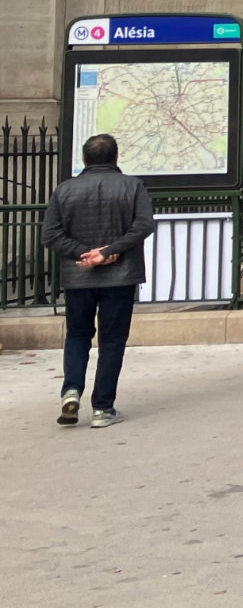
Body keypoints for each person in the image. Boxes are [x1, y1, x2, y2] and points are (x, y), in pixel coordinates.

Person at [42, 133, 155, 428]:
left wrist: (85, 254)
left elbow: (50, 235)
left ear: (84, 159)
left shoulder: (64, 190)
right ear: (116, 158)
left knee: (78, 335)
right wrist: (108, 252)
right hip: (121, 277)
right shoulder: (133, 186)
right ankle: (103, 408)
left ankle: (71, 390)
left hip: (79, 276)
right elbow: (144, 225)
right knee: (112, 340)